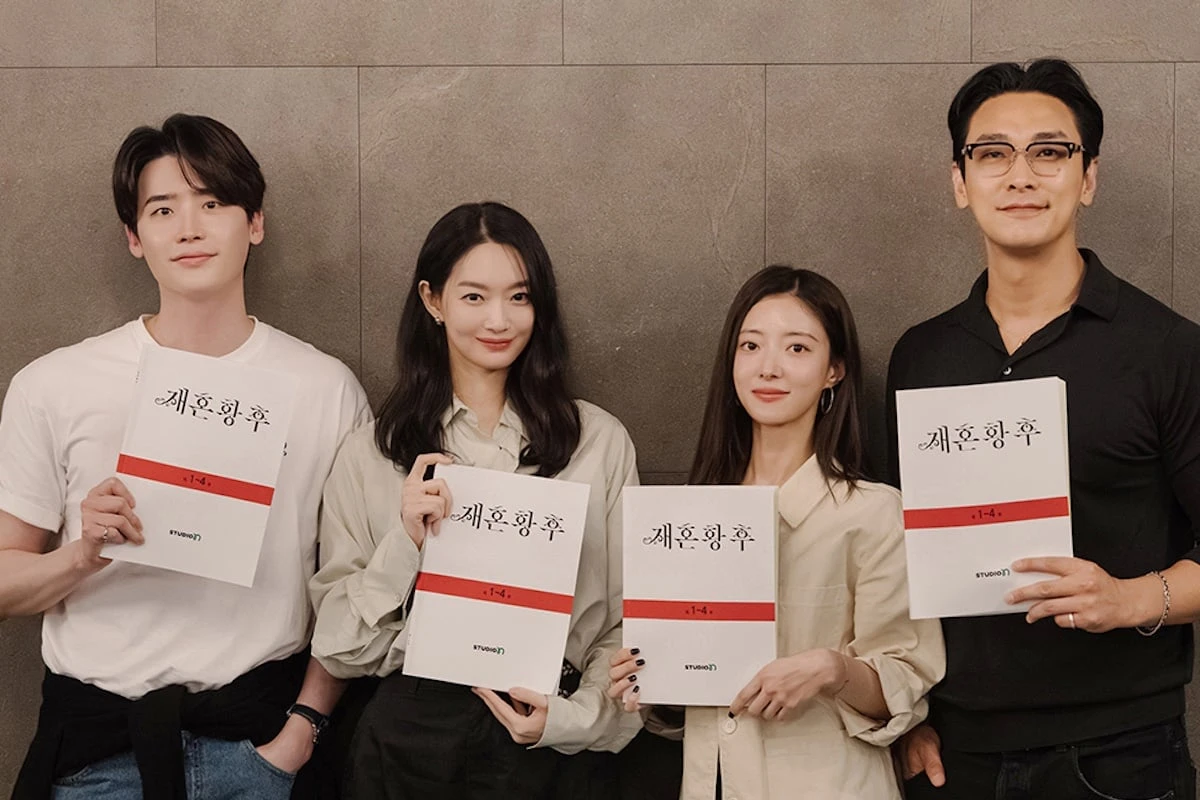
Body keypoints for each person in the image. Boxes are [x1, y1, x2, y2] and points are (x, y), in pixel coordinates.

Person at [3, 114, 371, 799]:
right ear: (134, 238)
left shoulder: (325, 389)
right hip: (96, 757)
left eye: (212, 203)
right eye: (163, 209)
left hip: (261, 748)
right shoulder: (53, 384)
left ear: (254, 223)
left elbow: (355, 585)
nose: (190, 227)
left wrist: (300, 733)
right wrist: (81, 554)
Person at [888, 59, 1200, 799]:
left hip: (1121, 753)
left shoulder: (1166, 348)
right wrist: (906, 715)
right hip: (952, 753)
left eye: (1049, 152)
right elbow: (891, 557)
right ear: (960, 183)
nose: (1019, 175)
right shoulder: (922, 354)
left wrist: (1129, 599)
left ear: (1087, 177)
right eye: (991, 154)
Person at [308, 201, 642, 799]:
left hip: (548, 728)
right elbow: (338, 646)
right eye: (473, 296)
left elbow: (624, 625)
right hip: (411, 734)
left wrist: (571, 720)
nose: (499, 319)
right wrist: (405, 541)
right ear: (432, 301)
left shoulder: (600, 442)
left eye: (519, 297)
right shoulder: (371, 452)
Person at [611, 266, 944, 799]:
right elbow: (691, 696)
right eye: (751, 346)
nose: (769, 367)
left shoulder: (872, 514)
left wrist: (831, 670)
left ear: (834, 370)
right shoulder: (688, 518)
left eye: (797, 349)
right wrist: (647, 679)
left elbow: (905, 681)